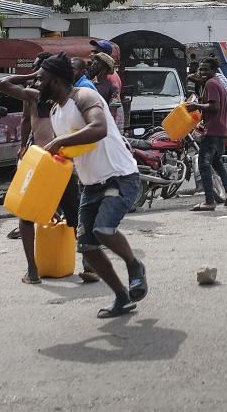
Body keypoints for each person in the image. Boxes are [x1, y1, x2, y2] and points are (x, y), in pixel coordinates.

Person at [37, 52, 146, 318]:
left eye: (40, 78)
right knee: (86, 245)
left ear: (54, 80)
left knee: (104, 230)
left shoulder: (85, 97)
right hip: (91, 184)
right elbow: (67, 153)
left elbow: (99, 128)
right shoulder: (54, 111)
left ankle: (134, 266)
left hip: (119, 176)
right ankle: (122, 297)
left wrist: (60, 142)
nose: (35, 82)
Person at [0, 53, 97, 285]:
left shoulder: (49, 98)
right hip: (54, 164)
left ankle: (38, 270)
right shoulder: (40, 96)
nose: (39, 80)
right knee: (71, 217)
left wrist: (34, 74)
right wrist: (37, 73)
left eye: (43, 76)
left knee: (37, 218)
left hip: (50, 165)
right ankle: (84, 265)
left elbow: (2, 84)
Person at [187, 57, 227, 211]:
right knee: (217, 162)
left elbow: (214, 107)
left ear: (213, 70)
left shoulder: (211, 83)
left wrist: (196, 105)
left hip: (213, 130)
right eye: (200, 69)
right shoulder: (215, 83)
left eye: (205, 69)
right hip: (222, 130)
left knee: (203, 163)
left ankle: (209, 201)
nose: (202, 72)